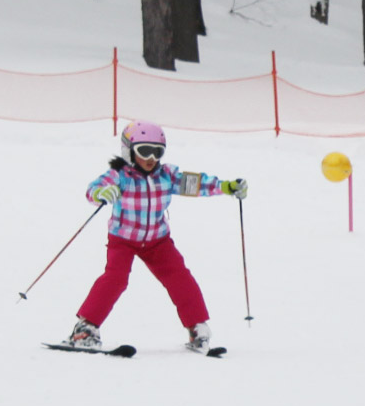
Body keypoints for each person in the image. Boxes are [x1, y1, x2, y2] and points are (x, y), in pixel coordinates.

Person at [64, 120, 247, 353]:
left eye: (157, 152)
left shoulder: (167, 175)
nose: (151, 158)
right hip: (123, 240)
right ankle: (85, 328)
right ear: (129, 151)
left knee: (179, 277)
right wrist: (101, 193)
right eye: (144, 151)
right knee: (115, 279)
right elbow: (93, 189)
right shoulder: (120, 175)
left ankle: (197, 328)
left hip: (158, 241)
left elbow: (198, 184)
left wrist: (227, 186)